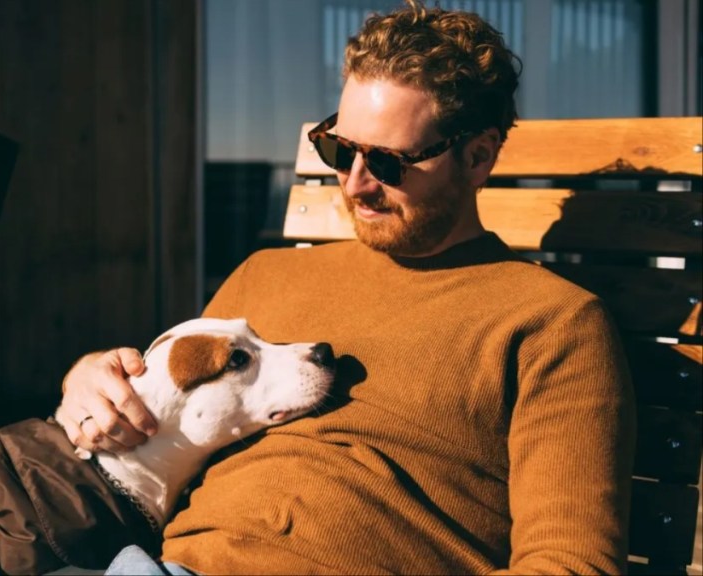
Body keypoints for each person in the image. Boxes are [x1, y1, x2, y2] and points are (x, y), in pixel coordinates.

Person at [55, 1, 636, 574]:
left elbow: (570, 563)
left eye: (388, 163)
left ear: (478, 156)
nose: (356, 185)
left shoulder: (550, 323)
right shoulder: (267, 275)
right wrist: (88, 382)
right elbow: (162, 421)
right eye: (339, 149)